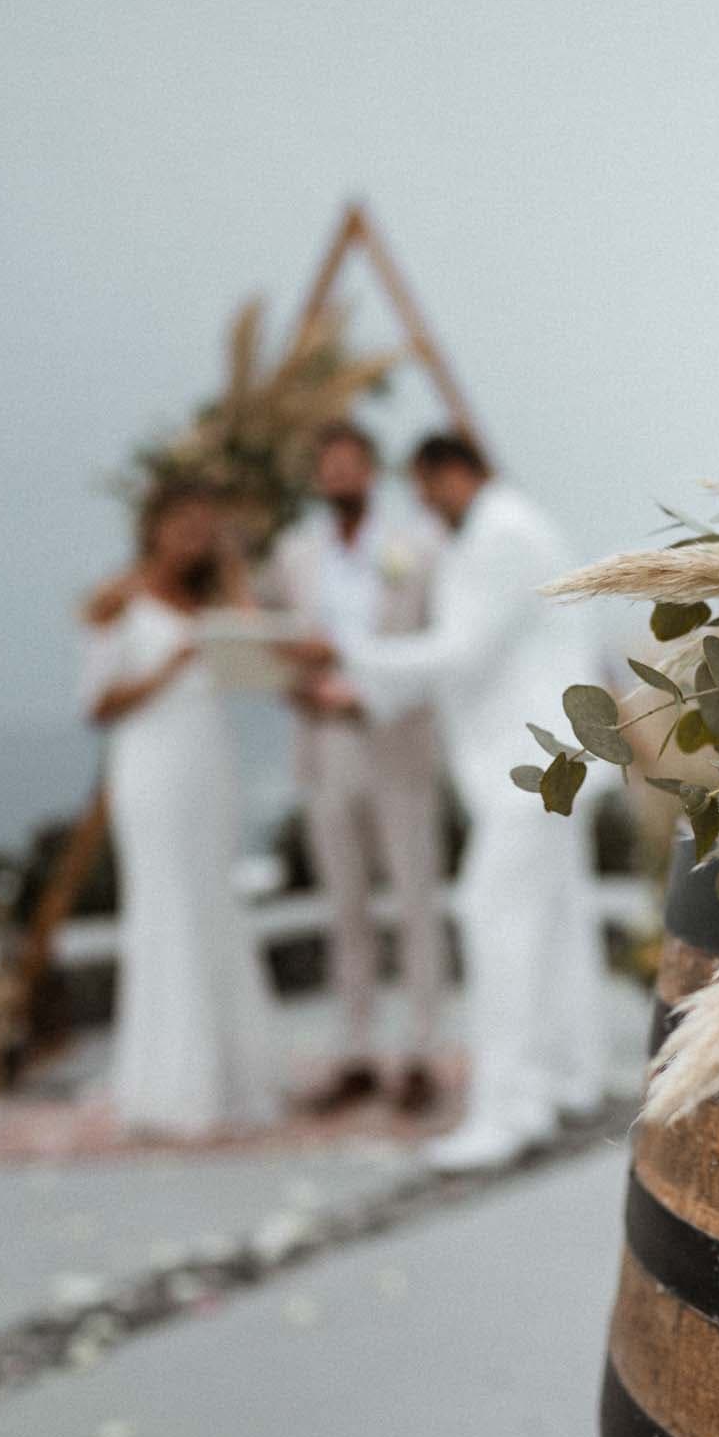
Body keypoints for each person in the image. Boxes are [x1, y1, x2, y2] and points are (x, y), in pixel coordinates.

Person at [294, 433, 606, 1172]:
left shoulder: (500, 533)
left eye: (427, 487)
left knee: (494, 919)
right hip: (552, 760)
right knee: (553, 928)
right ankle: (565, 1078)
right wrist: (366, 686)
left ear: (454, 472)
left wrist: (354, 657)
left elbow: (462, 649)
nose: (424, 504)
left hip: (530, 769)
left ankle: (507, 1110)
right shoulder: (517, 527)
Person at [80, 477, 283, 1137]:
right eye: (186, 525)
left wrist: (229, 564)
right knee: (166, 908)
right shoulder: (119, 598)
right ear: (154, 526)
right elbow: (97, 703)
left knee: (212, 903)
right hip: (151, 765)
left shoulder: (211, 599)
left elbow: (258, 657)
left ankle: (228, 1081)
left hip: (208, 764)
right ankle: (170, 1088)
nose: (194, 538)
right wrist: (170, 664)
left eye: (206, 528)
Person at [265, 422, 450, 1116]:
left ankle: (422, 1052)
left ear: (373, 470)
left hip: (396, 739)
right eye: (328, 467)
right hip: (324, 744)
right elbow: (274, 644)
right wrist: (296, 676)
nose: (339, 476)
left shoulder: (417, 548)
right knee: (343, 907)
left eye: (351, 464)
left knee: (414, 900)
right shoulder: (294, 553)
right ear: (316, 478)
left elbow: (436, 641)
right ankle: (356, 1052)